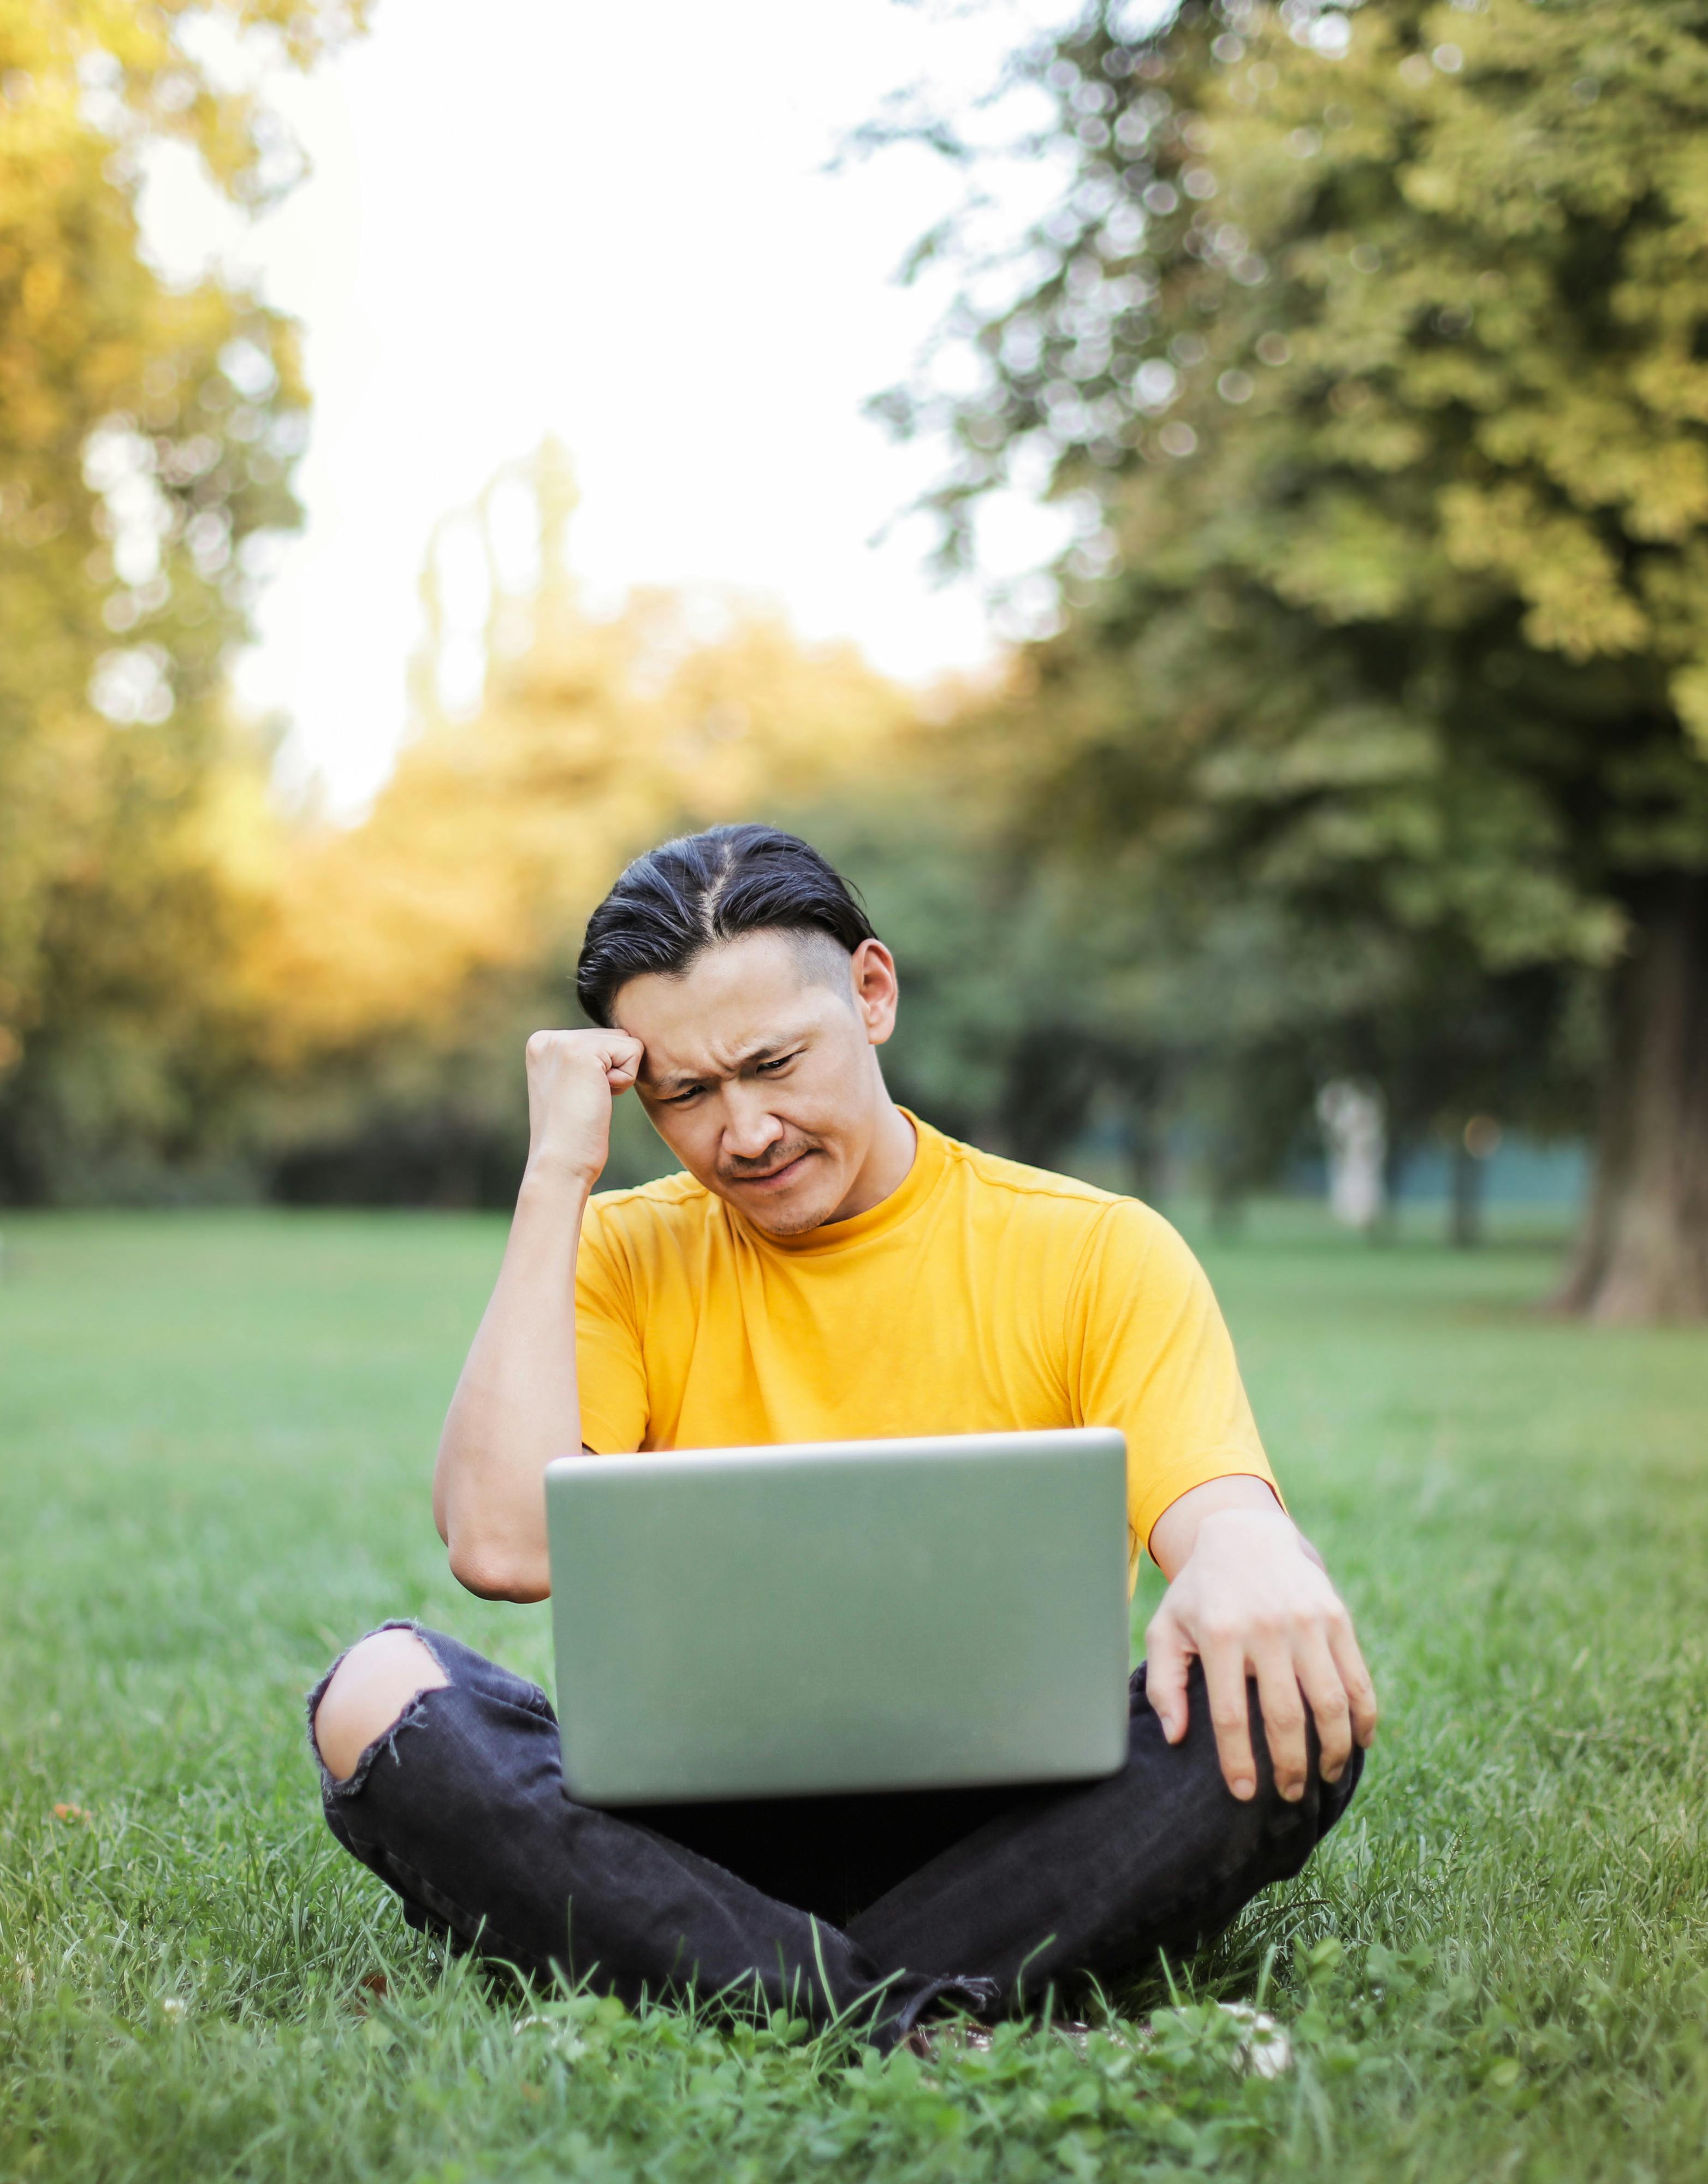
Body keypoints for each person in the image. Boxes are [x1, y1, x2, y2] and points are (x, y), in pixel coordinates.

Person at [306, 824, 1378, 2048]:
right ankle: (926, 2014)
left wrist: (1251, 1554)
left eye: (775, 1062)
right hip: (696, 1825)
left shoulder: (1093, 1248)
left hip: (1013, 1828)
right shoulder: (617, 1252)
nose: (745, 1132)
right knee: (376, 1692)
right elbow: (499, 1547)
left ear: (872, 992)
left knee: (1291, 1690)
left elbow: (1226, 1516)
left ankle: (748, 1981)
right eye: (687, 1094)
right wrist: (557, 1173)